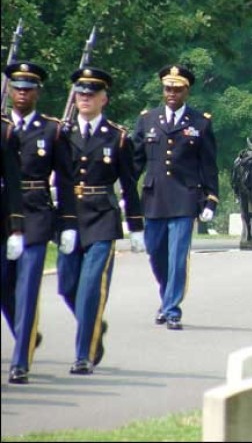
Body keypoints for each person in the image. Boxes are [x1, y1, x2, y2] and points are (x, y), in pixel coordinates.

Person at [57, 67, 145, 375]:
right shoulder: (62, 134)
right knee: (66, 286)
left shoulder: (117, 137)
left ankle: (83, 355)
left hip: (102, 219)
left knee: (90, 287)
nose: (85, 98)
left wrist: (136, 227)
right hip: (69, 217)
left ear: (103, 99)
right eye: (80, 93)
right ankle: (93, 322)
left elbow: (129, 183)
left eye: (91, 94)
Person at [1, 62, 78, 384]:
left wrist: (68, 223)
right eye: (17, 88)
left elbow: (65, 178)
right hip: (3, 212)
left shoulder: (52, 130)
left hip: (35, 212)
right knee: (5, 286)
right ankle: (25, 332)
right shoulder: (3, 128)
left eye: (28, 89)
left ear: (37, 93)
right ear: (9, 91)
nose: (22, 94)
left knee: (29, 284)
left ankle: (20, 361)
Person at [133, 64, 219, 331]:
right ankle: (166, 296)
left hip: (185, 197)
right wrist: (123, 191)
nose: (171, 93)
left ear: (186, 91)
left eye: (177, 89)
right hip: (154, 197)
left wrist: (211, 199)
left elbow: (208, 164)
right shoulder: (148, 119)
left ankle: (171, 309)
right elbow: (135, 161)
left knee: (177, 257)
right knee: (156, 253)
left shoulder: (199, 122)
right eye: (168, 88)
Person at [1, 116, 25, 380]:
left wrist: (16, 227)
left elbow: (13, 184)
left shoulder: (5, 132)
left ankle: (24, 336)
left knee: (5, 285)